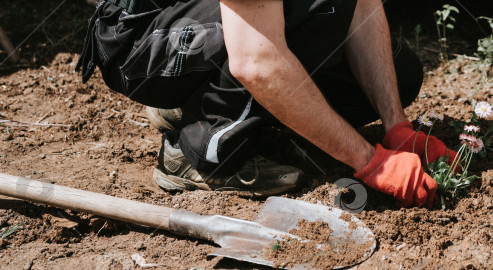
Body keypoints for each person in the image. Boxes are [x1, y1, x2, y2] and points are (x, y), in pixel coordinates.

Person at [76, 0, 457, 208]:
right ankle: (202, 151)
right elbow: (255, 62)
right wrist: (370, 161)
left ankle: (194, 102)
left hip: (211, 19)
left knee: (399, 73)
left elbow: (362, 6)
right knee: (315, 8)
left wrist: (396, 128)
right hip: (142, 38)